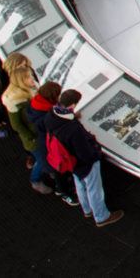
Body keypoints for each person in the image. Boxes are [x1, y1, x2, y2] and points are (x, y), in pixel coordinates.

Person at [46, 89, 125, 226]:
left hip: (71, 162)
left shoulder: (51, 115)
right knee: (94, 189)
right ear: (72, 105)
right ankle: (102, 217)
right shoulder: (72, 129)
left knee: (80, 184)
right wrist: (96, 154)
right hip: (85, 163)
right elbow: (85, 154)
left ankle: (87, 210)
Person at [1, 55, 48, 193]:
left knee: (43, 157)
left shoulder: (28, 82)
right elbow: (17, 125)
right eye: (23, 66)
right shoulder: (12, 97)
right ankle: (35, 180)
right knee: (42, 159)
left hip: (40, 129)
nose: (27, 69)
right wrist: (31, 137)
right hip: (35, 135)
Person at [26, 81, 78, 205]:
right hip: (50, 148)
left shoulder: (36, 104)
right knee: (57, 170)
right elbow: (53, 127)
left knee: (53, 168)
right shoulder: (47, 114)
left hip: (46, 145)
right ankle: (64, 192)